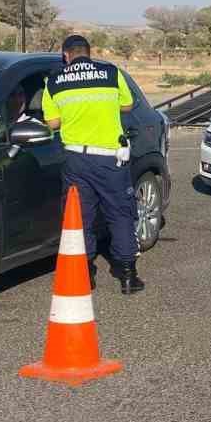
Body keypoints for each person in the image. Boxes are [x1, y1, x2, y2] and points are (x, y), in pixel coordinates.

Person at [41, 35, 144, 294]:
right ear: (90, 52)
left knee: (81, 216)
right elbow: (128, 104)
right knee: (120, 213)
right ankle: (128, 276)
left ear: (66, 55)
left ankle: (86, 275)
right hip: (110, 158)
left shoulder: (54, 81)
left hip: (76, 159)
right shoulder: (111, 73)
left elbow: (52, 123)